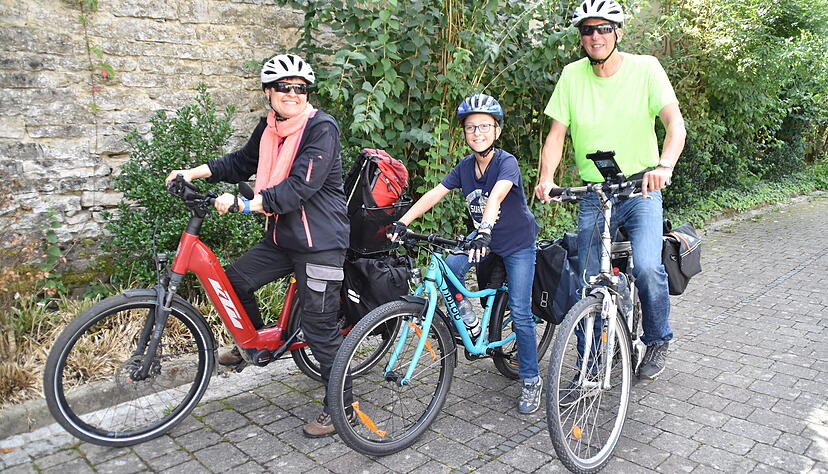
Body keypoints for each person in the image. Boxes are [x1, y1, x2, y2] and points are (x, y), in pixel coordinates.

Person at [165, 53, 352, 438]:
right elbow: (239, 163)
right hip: (283, 237)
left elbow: (299, 187)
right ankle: (255, 344)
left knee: (319, 329)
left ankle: (342, 406)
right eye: (284, 87)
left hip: (320, 242)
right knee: (234, 282)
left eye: (300, 89)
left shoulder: (322, 129)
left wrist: (245, 202)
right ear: (268, 92)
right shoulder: (269, 128)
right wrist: (191, 171)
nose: (293, 94)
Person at [534, 0, 686, 380]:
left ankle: (656, 338)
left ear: (617, 33)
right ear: (581, 37)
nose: (596, 36)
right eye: (588, 30)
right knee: (587, 280)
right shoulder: (571, 76)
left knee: (649, 267)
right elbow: (556, 136)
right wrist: (546, 179)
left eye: (603, 28)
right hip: (595, 194)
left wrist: (664, 166)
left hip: (640, 191)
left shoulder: (646, 68)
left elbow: (674, 124)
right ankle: (592, 359)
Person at [388, 94, 544, 414]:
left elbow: (497, 195)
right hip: (482, 239)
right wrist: (403, 222)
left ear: (497, 131)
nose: (477, 133)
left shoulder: (506, 162)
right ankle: (469, 318)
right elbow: (436, 193)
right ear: (464, 132)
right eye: (471, 127)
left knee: (520, 309)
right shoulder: (464, 167)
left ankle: (531, 378)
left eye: (485, 126)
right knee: (447, 269)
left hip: (515, 243)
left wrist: (485, 228)